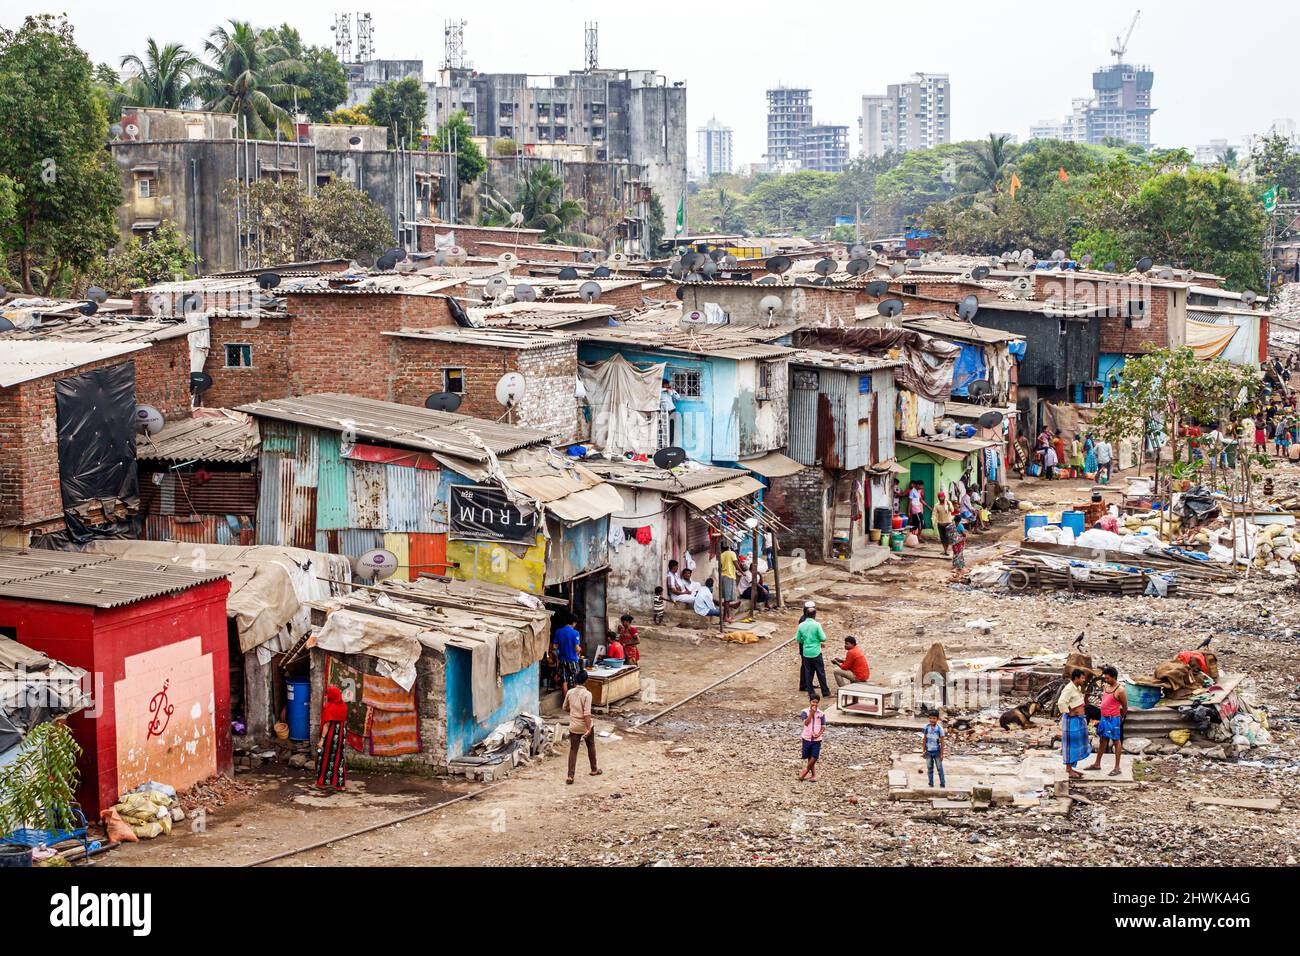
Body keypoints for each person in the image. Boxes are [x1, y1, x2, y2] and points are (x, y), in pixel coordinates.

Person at [563, 670, 601, 785]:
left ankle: (570, 775)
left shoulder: (570, 692)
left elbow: (565, 707)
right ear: (586, 681)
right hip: (585, 725)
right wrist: (588, 728)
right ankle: (594, 769)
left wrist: (573, 711)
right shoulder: (587, 694)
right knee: (591, 746)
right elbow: (587, 714)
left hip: (574, 726)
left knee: (573, 750)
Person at [1090, 666, 1127, 776]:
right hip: (1104, 718)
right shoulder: (1106, 687)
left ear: (1114, 677)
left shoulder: (1120, 690)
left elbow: (1125, 707)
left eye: (1108, 678)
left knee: (1116, 741)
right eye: (1105, 678)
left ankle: (1117, 767)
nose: (1105, 680)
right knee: (1103, 740)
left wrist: (1122, 717)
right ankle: (1097, 764)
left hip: (1114, 718)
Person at [1058, 668, 1092, 779]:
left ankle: (1071, 768)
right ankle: (1068, 769)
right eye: (1082, 678)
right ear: (1076, 678)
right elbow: (1061, 702)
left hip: (1078, 720)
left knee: (1076, 744)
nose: (1084, 680)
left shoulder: (1076, 688)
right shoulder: (1068, 689)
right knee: (1070, 745)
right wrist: (1069, 712)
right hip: (1071, 721)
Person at [315, 684, 348, 791]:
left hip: (330, 737)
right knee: (339, 759)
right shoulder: (343, 706)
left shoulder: (329, 708)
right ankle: (340, 784)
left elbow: (326, 725)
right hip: (340, 737)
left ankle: (322, 782)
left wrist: (322, 740)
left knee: (325, 758)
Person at [796, 605, 831, 696]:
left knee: (808, 672)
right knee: (820, 672)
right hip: (816, 652)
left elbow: (798, 639)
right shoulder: (817, 625)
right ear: (814, 615)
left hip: (806, 652)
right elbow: (823, 638)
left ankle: (811, 692)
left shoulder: (801, 625)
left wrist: (805, 641)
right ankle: (825, 692)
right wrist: (817, 641)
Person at [552, 618, 583, 697]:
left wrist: (559, 654)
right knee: (576, 680)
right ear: (573, 623)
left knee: (564, 680)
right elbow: (577, 648)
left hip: (562, 660)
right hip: (572, 660)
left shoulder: (558, 632)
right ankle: (575, 700)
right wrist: (580, 650)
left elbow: (554, 647)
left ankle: (566, 701)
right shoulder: (575, 633)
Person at [799, 693, 826, 782]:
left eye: (816, 702)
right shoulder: (805, 712)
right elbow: (806, 723)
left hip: (817, 739)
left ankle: (806, 770)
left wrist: (819, 734)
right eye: (813, 702)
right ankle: (814, 775)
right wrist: (811, 713)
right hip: (806, 737)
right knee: (809, 757)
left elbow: (823, 726)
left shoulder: (821, 714)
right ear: (810, 702)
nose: (814, 704)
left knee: (815, 756)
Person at [922, 711, 945, 788]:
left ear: (937, 719)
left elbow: (942, 742)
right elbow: (924, 739)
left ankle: (942, 784)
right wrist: (923, 750)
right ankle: (931, 784)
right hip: (928, 752)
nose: (932, 720)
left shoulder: (939, 729)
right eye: (930, 718)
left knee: (939, 768)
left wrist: (941, 754)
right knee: (929, 768)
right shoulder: (926, 727)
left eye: (934, 718)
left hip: (937, 752)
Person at [932, 490, 954, 555]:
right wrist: (933, 522)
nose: (941, 498)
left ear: (944, 497)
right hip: (940, 524)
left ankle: (946, 550)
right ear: (938, 498)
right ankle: (945, 550)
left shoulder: (948, 503)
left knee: (947, 538)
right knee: (942, 538)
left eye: (942, 497)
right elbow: (934, 514)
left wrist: (949, 505)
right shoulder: (937, 505)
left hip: (948, 523)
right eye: (940, 497)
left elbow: (952, 510)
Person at [719, 540, 739, 610]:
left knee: (727, 598)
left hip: (724, 576)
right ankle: (726, 616)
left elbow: (720, 567)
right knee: (727, 598)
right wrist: (742, 572)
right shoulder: (731, 553)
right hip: (729, 576)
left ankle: (727, 613)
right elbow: (736, 564)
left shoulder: (721, 555)